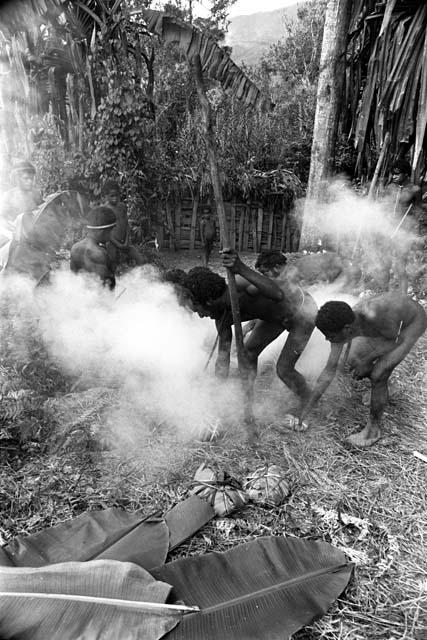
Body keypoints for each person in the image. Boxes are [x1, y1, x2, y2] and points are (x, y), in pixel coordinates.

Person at [183, 249, 318, 415]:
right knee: (248, 354)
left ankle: (308, 398)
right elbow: (223, 360)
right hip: (274, 318)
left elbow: (277, 293)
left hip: (302, 312)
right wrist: (215, 393)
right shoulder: (222, 319)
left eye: (197, 309)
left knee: (284, 369)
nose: (200, 315)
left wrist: (240, 267)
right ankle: (247, 401)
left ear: (209, 301)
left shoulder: (238, 284)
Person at [299, 293, 427, 447]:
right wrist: (305, 411)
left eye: (330, 337)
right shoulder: (339, 326)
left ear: (346, 329)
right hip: (387, 331)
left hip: (410, 323)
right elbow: (329, 370)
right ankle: (388, 388)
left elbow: (396, 340)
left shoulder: (374, 315)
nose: (328, 340)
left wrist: (367, 360)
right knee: (354, 359)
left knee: (379, 373)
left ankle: (372, 431)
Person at [379, 159, 422, 293]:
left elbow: (418, 212)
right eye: (392, 174)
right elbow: (383, 207)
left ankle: (403, 298)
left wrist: (411, 231)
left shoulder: (415, 190)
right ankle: (384, 294)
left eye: (397, 174)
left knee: (400, 266)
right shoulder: (390, 187)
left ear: (406, 174)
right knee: (385, 264)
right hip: (388, 230)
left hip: (403, 232)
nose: (394, 176)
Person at [101, 179, 145, 271]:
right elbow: (106, 232)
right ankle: (113, 282)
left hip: (124, 241)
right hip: (112, 243)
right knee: (112, 263)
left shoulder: (122, 207)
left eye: (117, 195)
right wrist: (118, 244)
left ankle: (138, 279)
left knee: (140, 259)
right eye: (112, 196)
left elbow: (126, 224)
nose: (115, 198)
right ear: (106, 196)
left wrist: (126, 241)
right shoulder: (104, 210)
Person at [70, 205, 117, 289]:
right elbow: (108, 286)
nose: (112, 234)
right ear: (102, 232)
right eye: (111, 230)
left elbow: (73, 277)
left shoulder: (75, 247)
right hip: (96, 299)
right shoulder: (100, 254)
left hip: (79, 296)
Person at [0, 160, 42, 246]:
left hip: (35, 237)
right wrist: (14, 230)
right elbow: (2, 219)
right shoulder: (9, 196)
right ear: (17, 179)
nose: (30, 181)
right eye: (26, 178)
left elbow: (42, 213)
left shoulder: (36, 194)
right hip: (16, 239)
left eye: (32, 178)